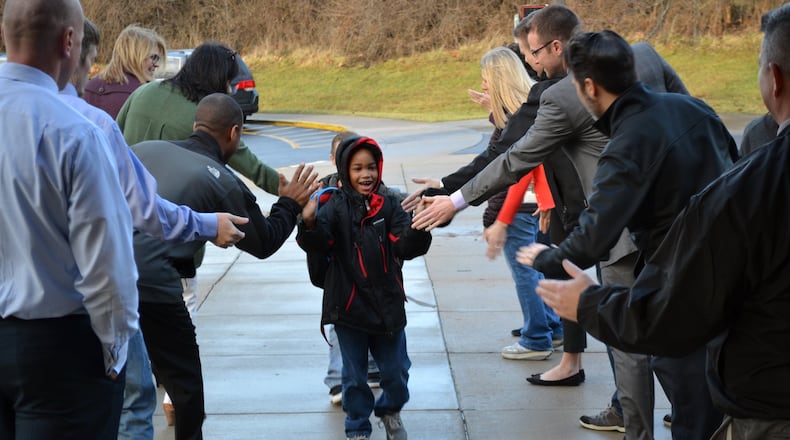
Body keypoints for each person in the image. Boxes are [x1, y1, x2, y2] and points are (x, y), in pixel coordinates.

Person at [409, 4, 692, 435]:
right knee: (679, 322)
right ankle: (685, 413)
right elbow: (685, 113)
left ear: (557, 47)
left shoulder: (562, 95)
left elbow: (515, 158)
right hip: (677, 219)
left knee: (628, 337)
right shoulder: (645, 54)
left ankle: (639, 430)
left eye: (535, 55)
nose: (532, 64)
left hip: (619, 234)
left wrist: (456, 200)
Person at [534, 5, 790, 438]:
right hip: (737, 300)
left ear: (590, 88)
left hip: (692, 293)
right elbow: (732, 163)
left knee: (691, 404)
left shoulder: (628, 145)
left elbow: (598, 235)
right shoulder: (695, 110)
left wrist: (553, 265)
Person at [58, 19, 249, 440]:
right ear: (69, 48)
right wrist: (206, 224)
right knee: (133, 398)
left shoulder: (125, 102)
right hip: (105, 283)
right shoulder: (92, 123)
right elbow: (142, 206)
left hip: (22, 308)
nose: (89, 72)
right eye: (89, 60)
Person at [131, 93, 318, 440]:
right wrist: (290, 204)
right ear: (234, 133)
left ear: (195, 125)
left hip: (108, 278)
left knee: (124, 390)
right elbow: (263, 243)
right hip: (157, 287)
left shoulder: (144, 150)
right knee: (186, 391)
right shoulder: (219, 179)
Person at [0, 0, 137, 438]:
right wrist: (115, 351)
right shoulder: (75, 132)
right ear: (70, 41)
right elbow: (107, 265)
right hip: (58, 352)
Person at [297, 135, 432, 440]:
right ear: (346, 170)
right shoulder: (332, 207)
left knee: (396, 372)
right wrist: (308, 221)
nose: (365, 174)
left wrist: (420, 225)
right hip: (348, 307)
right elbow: (318, 244)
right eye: (357, 168)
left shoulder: (390, 205)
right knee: (355, 378)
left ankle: (390, 411)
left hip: (388, 307)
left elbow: (405, 247)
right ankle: (357, 427)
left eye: (371, 167)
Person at [473, 46, 562, 359]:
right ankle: (552, 326)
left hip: (520, 208)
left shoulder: (516, 119)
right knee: (536, 269)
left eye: (486, 79)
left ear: (499, 79)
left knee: (526, 275)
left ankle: (537, 338)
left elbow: (509, 176)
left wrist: (498, 221)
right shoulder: (523, 110)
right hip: (533, 207)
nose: (483, 84)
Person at [321, 131, 383, 405]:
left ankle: (370, 367)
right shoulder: (324, 191)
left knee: (371, 314)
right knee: (340, 322)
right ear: (336, 159)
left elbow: (395, 207)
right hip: (339, 273)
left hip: (371, 272)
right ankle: (337, 380)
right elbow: (310, 226)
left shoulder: (379, 191)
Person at [84, 24, 166, 118]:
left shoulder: (89, 87)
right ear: (135, 55)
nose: (156, 64)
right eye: (153, 57)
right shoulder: (146, 96)